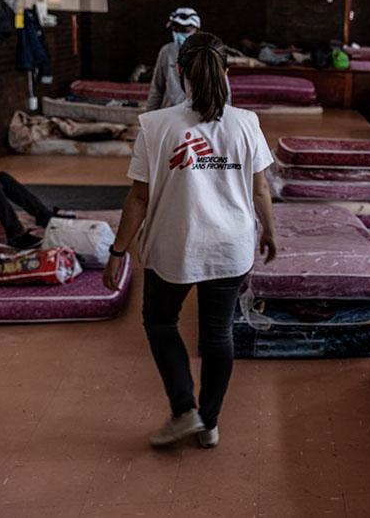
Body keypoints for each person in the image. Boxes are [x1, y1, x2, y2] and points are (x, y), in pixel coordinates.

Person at [103, 31, 277, 450]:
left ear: (179, 72)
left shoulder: (155, 125)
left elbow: (139, 198)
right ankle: (209, 423)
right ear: (227, 72)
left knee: (161, 322)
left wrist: (117, 252)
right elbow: (260, 190)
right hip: (232, 247)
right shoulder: (246, 123)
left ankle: (185, 411)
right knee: (218, 335)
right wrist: (269, 231)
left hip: (174, 246)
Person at [146, 7, 200, 111]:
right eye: (175, 29)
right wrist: (149, 118)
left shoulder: (209, 53)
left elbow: (222, 92)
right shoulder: (167, 52)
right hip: (170, 114)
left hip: (197, 116)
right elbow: (156, 89)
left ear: (196, 30)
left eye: (184, 30)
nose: (179, 34)